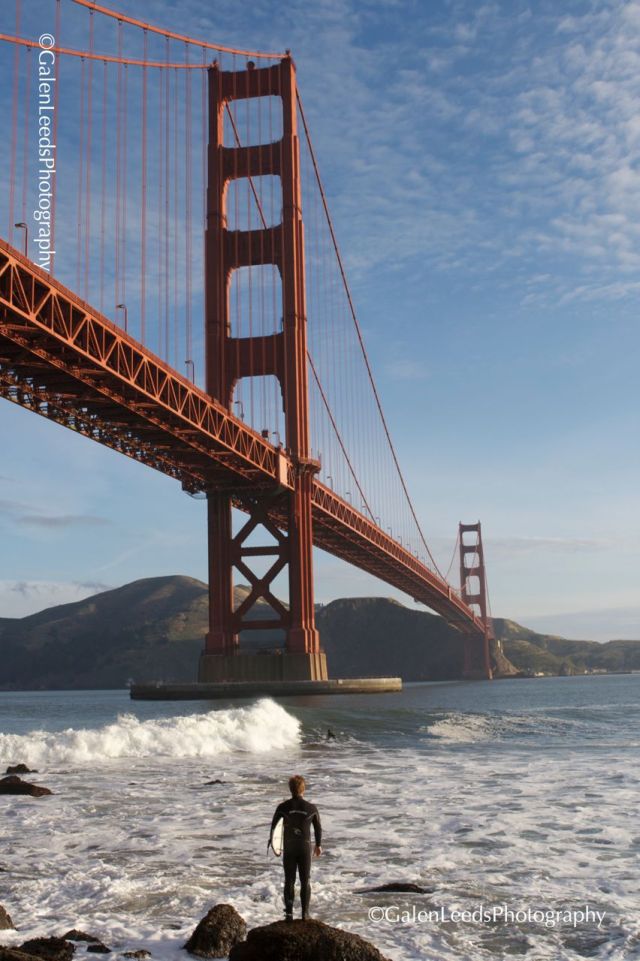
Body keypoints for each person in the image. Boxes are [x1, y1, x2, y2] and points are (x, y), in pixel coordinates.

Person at [269, 774, 322, 921]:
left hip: (290, 848)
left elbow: (274, 828)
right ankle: (305, 914)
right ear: (303, 789)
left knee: (289, 880)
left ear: (290, 789)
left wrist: (275, 847)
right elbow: (318, 828)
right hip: (304, 848)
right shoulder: (311, 808)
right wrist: (318, 845)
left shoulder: (283, 807)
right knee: (305, 880)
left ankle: (289, 914)